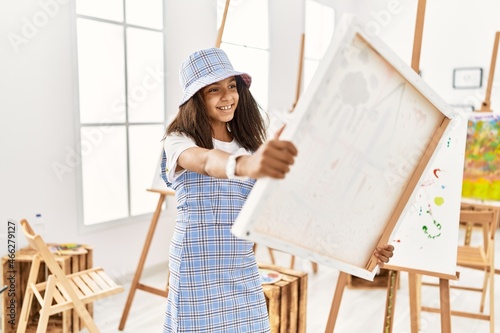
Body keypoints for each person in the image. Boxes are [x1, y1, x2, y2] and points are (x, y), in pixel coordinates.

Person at [161, 47, 394, 333]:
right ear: (196, 99)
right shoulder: (179, 141)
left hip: (241, 266)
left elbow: (296, 209)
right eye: (214, 90)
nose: (227, 97)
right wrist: (247, 165)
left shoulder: (250, 146)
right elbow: (207, 161)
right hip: (195, 267)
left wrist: (364, 246)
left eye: (232, 86)